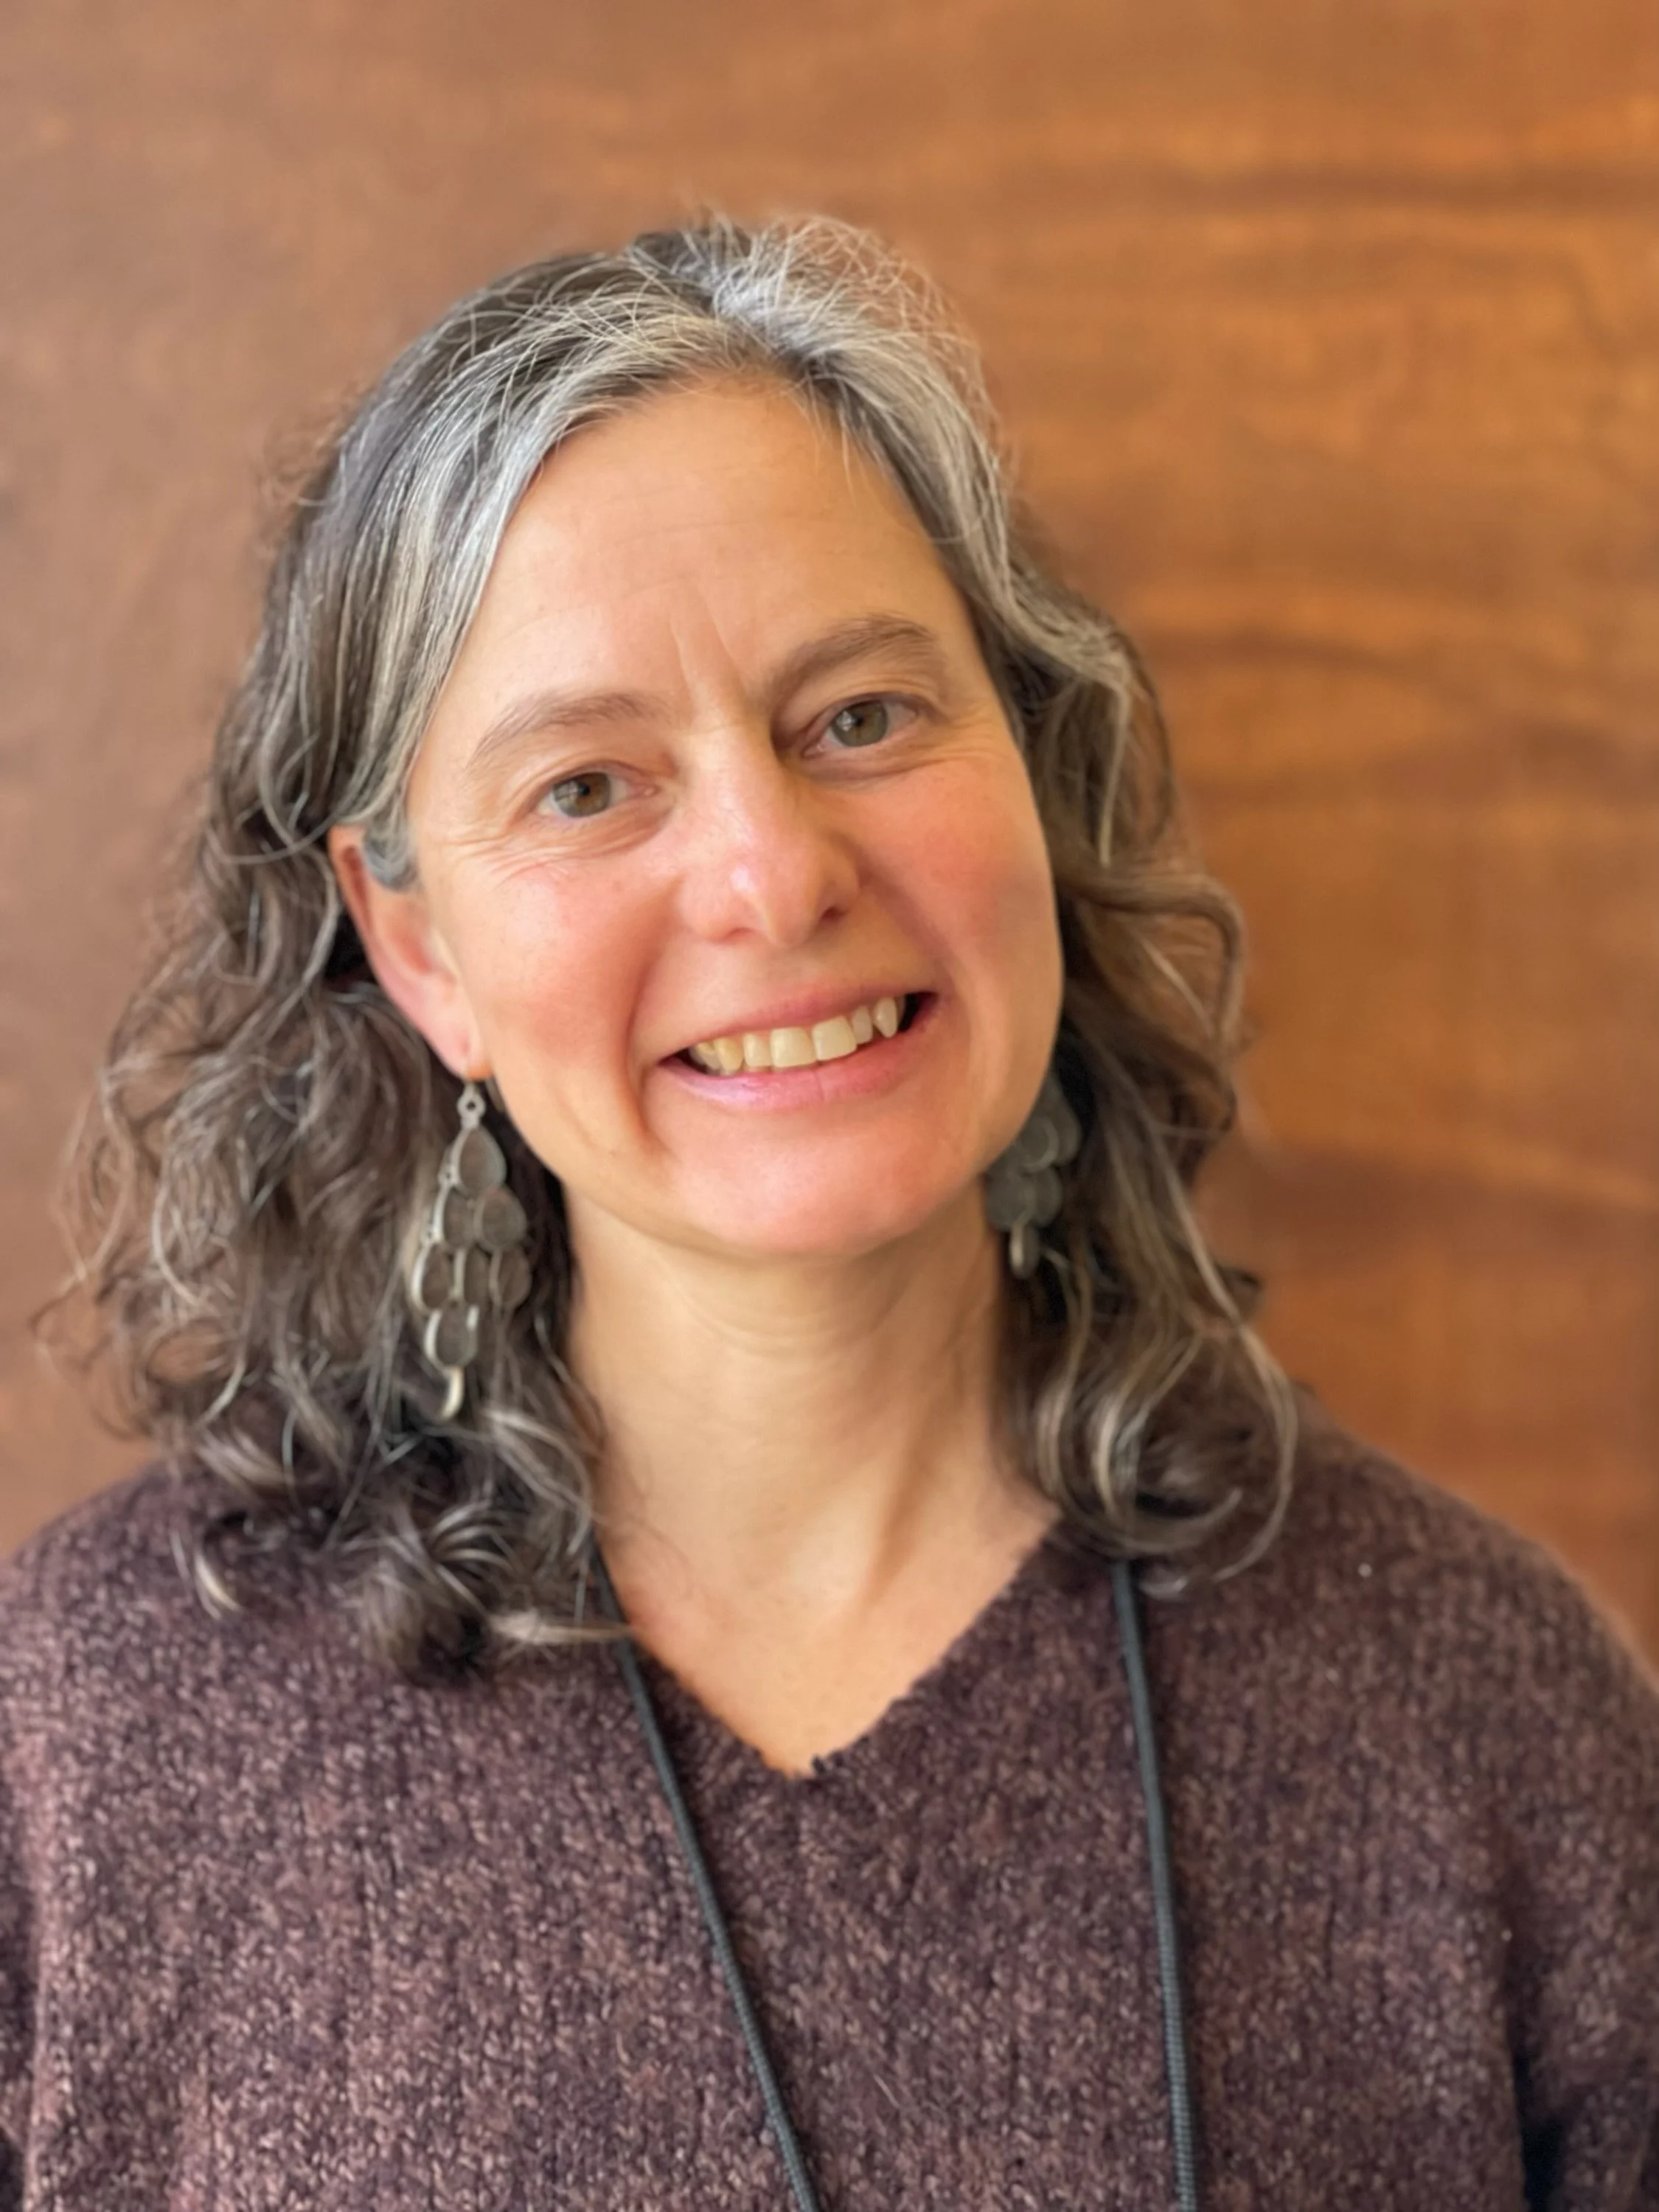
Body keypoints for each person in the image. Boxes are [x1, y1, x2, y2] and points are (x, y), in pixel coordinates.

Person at [4, 215, 1655, 2211]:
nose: (776, 879)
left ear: (1033, 779)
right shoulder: (80, 1745)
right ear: (412, 943)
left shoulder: (1490, 1722)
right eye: (588, 788)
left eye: (861, 717)